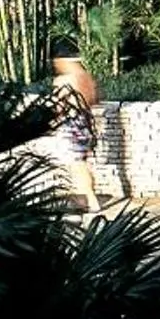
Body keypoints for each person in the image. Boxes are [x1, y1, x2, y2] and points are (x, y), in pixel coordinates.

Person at [48, 50, 107, 216]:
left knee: (77, 164)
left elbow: (59, 105)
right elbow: (94, 99)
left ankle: (90, 199)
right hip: (85, 121)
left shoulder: (62, 80)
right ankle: (85, 198)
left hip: (70, 123)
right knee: (81, 163)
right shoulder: (86, 77)